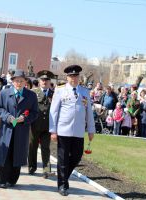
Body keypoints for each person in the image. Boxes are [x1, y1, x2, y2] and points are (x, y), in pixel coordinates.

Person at [49, 65, 95, 196]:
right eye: (71, 76)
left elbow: (89, 113)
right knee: (63, 159)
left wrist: (91, 130)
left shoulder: (85, 92)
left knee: (76, 156)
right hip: (63, 130)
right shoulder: (60, 90)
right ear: (67, 77)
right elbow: (54, 111)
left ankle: (63, 177)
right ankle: (62, 185)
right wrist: (53, 131)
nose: (73, 78)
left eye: (76, 76)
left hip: (78, 131)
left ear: (79, 77)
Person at [0, 69, 38, 189]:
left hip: (21, 129)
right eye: (16, 80)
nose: (19, 83)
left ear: (25, 82)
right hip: (7, 129)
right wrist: (8, 117)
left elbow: (35, 113)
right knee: (5, 154)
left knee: (18, 153)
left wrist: (24, 118)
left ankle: (13, 180)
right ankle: (2, 180)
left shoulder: (31, 95)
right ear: (12, 81)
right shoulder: (4, 93)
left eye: (21, 81)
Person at [28, 70, 55, 178]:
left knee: (45, 148)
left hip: (47, 126)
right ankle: (32, 167)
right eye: (43, 80)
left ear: (50, 81)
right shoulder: (33, 93)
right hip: (34, 125)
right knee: (32, 147)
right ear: (39, 81)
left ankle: (46, 170)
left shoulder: (54, 94)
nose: (45, 82)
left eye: (47, 80)